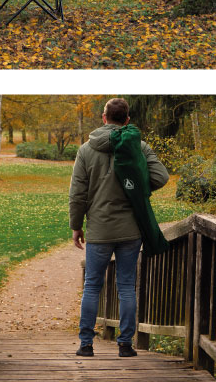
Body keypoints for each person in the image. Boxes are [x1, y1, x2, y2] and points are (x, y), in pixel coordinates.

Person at [69, 98, 169, 358]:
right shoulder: (139, 147)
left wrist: (76, 226)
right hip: (131, 230)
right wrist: (136, 188)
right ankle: (125, 345)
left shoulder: (86, 150)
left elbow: (77, 194)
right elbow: (161, 177)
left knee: (92, 286)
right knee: (126, 286)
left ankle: (86, 345)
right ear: (126, 120)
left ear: (104, 118)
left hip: (99, 229)